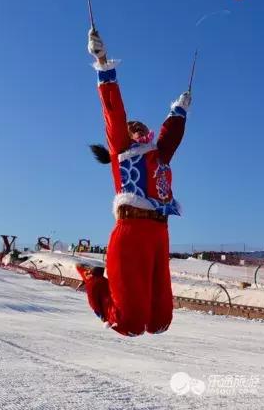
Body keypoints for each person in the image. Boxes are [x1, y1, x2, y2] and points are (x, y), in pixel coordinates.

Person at [76, 27, 190, 337]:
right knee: (129, 323)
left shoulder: (159, 154)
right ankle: (92, 278)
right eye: (132, 127)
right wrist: (103, 65)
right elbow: (114, 112)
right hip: (131, 231)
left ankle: (112, 288)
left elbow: (171, 136)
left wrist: (179, 110)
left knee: (159, 322)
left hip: (159, 234)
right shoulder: (122, 151)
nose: (136, 127)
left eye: (141, 125)